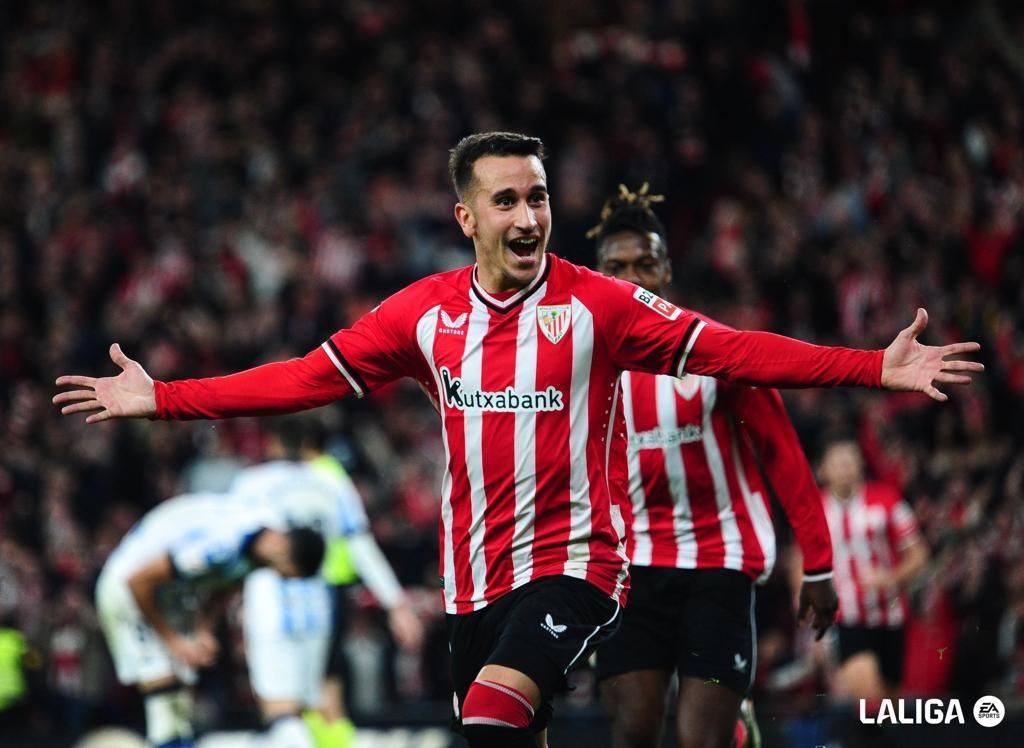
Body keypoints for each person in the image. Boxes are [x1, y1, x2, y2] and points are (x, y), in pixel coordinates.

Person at [55, 132, 982, 748]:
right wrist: (164, 398)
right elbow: (298, 380)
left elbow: (739, 352)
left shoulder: (601, 306)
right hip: (473, 578)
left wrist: (873, 366)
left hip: (585, 560)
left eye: (537, 197)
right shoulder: (420, 317)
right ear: (468, 219)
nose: (528, 217)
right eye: (505, 201)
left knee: (500, 713)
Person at [589, 184, 838, 748]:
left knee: (699, 741)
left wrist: (818, 564)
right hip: (627, 568)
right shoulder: (580, 364)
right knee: (632, 733)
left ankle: (733, 729)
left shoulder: (713, 349)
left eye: (645, 263)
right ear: (597, 275)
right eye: (616, 266)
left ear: (666, 269)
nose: (631, 277)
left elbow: (781, 451)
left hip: (717, 560)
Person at [229, 414, 423, 748]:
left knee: (280, 712)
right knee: (314, 706)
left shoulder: (252, 483)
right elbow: (361, 545)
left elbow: (234, 550)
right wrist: (396, 604)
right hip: (319, 608)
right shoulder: (330, 482)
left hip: (270, 606)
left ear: (272, 442)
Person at [95, 492, 325, 748]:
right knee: (165, 692)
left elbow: (230, 581)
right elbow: (138, 581)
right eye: (285, 573)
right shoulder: (218, 546)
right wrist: (172, 641)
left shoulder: (263, 538)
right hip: (127, 589)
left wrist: (203, 627)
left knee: (180, 699)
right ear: (282, 551)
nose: (280, 578)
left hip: (168, 593)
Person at [817, 438, 929, 700]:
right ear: (823, 470)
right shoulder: (814, 510)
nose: (844, 466)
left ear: (860, 464)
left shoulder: (888, 500)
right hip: (847, 617)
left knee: (890, 703)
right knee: (868, 698)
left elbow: (920, 554)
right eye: (837, 461)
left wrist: (890, 578)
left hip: (891, 615)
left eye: (850, 459)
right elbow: (799, 557)